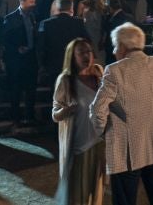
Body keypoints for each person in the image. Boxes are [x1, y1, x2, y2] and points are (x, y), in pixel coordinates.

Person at [90, 22, 153, 205]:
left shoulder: (115, 70)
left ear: (122, 47)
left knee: (125, 199)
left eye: (115, 46)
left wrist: (103, 132)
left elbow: (97, 109)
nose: (114, 51)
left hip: (127, 148)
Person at [52, 37, 105, 205]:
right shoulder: (66, 80)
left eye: (88, 51)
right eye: (81, 52)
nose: (86, 55)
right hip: (79, 147)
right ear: (72, 56)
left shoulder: (99, 75)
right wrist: (66, 110)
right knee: (77, 195)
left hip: (100, 143)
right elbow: (55, 114)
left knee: (96, 191)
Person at [4, 0, 40, 126]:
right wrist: (17, 49)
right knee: (16, 89)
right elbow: (6, 40)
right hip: (17, 60)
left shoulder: (33, 16)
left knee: (31, 88)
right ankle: (16, 118)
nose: (33, 4)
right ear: (22, 2)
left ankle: (29, 116)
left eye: (34, 1)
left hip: (30, 58)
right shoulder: (10, 18)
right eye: (31, 2)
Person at [37, 0, 90, 83]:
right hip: (73, 64)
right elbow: (86, 42)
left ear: (58, 8)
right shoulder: (78, 23)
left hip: (53, 65)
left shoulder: (46, 24)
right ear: (71, 8)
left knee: (55, 92)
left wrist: (42, 65)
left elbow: (40, 46)